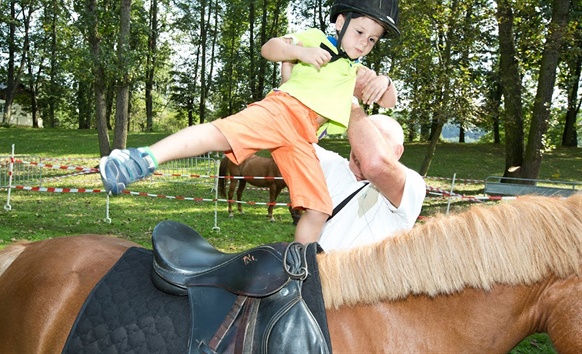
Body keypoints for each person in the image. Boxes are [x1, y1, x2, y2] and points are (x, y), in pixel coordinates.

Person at [100, 0, 400, 244]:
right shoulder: (317, 39)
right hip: (284, 111)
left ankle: (298, 270)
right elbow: (269, 48)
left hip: (304, 136)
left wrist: (384, 80)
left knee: (319, 209)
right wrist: (299, 52)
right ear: (340, 22)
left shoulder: (356, 71)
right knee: (220, 135)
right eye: (360, 33)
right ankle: (140, 160)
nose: (364, 43)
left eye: (372, 39)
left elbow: (389, 102)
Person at [316, 101, 427, 251]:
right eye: (361, 134)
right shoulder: (332, 165)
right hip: (313, 272)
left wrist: (350, 101)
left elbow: (375, 164)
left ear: (397, 152)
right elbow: (288, 133)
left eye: (376, 139)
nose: (362, 144)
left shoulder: (412, 184)